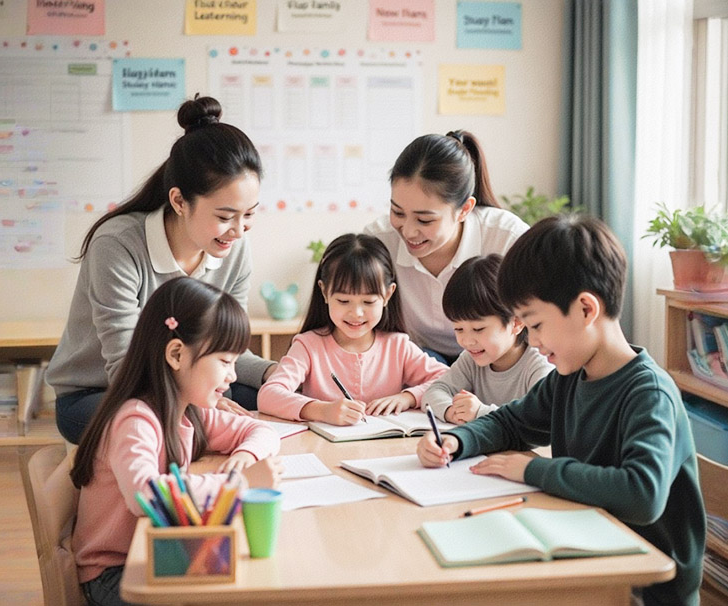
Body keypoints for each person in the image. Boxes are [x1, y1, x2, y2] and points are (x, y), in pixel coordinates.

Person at [417, 215, 705, 606]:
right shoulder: (571, 376)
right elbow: (511, 423)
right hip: (585, 553)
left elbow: (642, 494)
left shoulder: (648, 394)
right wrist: (455, 440)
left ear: (586, 309)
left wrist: (533, 469)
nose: (533, 341)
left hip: (644, 589)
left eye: (535, 325)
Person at [47, 95, 276, 444]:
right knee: (183, 427)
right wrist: (201, 410)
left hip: (190, 386)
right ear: (179, 201)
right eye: (225, 216)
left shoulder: (234, 249)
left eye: (250, 214)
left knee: (277, 403)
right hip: (101, 393)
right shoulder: (118, 245)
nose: (239, 230)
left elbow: (230, 350)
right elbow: (124, 362)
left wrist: (275, 374)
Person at [69, 277, 282, 606]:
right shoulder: (136, 419)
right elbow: (144, 495)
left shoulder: (188, 411)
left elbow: (262, 431)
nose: (233, 376)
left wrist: (245, 455)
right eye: (225, 362)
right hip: (115, 573)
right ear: (177, 353)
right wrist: (236, 484)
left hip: (160, 550)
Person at [364, 130, 528, 364]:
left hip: (499, 364)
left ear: (464, 209)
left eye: (425, 220)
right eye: (397, 212)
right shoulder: (377, 243)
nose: (408, 232)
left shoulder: (508, 239)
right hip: (419, 363)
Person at [258, 233, 448, 425]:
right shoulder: (308, 346)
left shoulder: (397, 346)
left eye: (368, 301)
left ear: (388, 295)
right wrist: (322, 410)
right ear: (324, 292)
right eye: (343, 301)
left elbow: (449, 380)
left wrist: (408, 397)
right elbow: (268, 395)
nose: (356, 313)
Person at [422, 254, 553, 424]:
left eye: (478, 329)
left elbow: (539, 417)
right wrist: (449, 411)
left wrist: (480, 412)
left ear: (516, 323)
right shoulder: (471, 360)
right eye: (458, 329)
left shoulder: (538, 364)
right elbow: (435, 392)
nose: (467, 341)